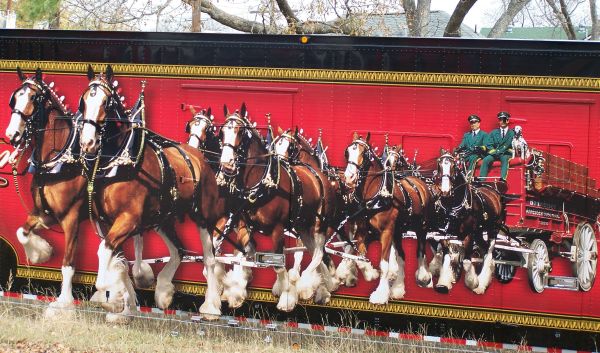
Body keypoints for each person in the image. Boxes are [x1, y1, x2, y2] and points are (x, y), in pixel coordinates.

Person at [479, 111, 515, 181]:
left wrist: (506, 151)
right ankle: (481, 180)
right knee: (486, 160)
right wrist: (494, 152)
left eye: (504, 120)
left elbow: (514, 146)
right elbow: (489, 144)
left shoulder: (512, 133)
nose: (502, 122)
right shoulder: (493, 132)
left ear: (507, 121)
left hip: (505, 154)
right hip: (494, 153)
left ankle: (502, 180)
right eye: (500, 120)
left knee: (505, 160)